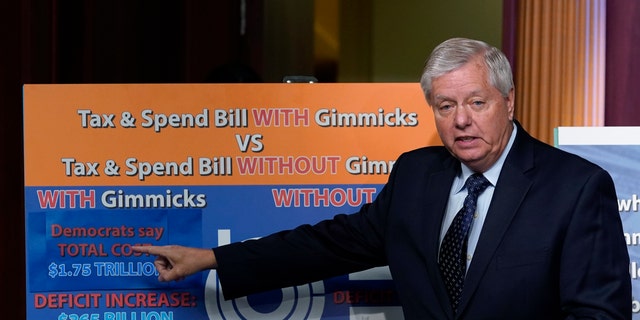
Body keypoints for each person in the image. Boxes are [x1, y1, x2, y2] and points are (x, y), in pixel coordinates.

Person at [132, 37, 631, 319]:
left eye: (477, 103)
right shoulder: (416, 176)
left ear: (509, 101)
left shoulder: (576, 188)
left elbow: (596, 316)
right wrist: (213, 258)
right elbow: (330, 244)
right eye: (445, 106)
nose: (461, 120)